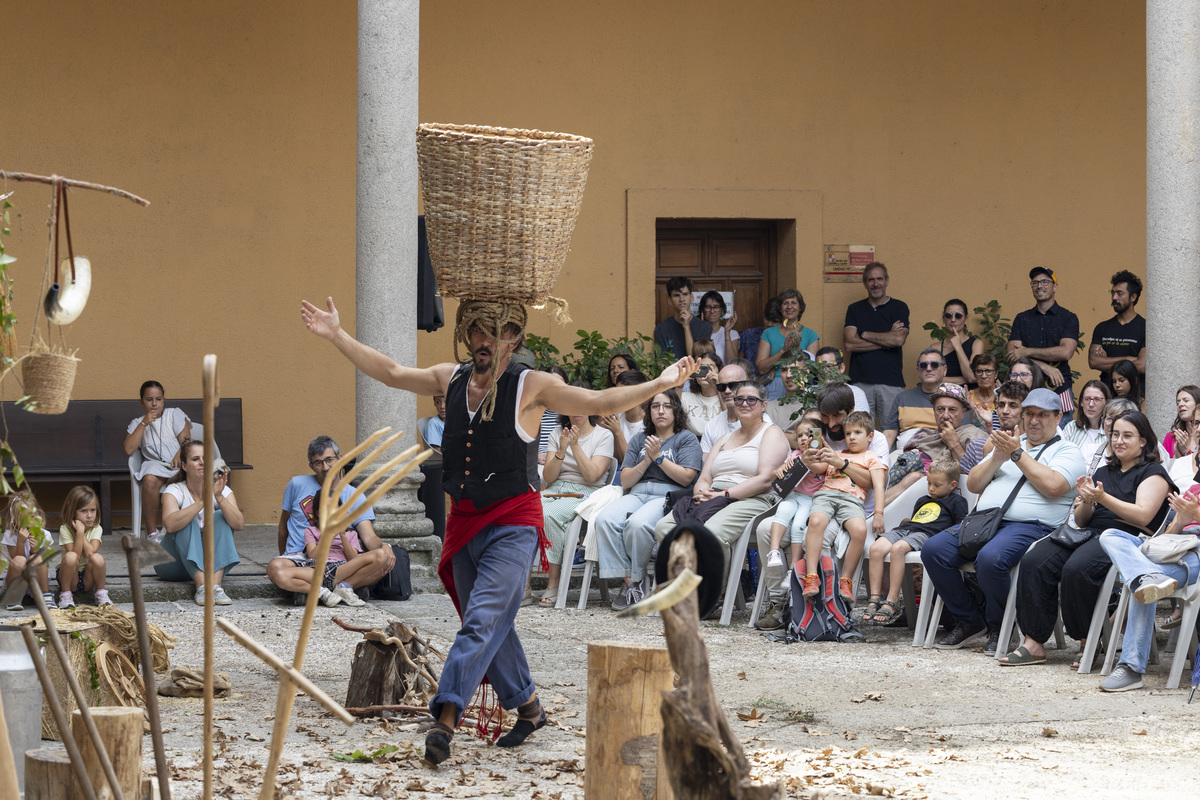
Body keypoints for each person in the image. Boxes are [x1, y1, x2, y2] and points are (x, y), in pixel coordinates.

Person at [299, 294, 695, 762]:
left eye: (495, 332)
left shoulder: (531, 385)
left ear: (513, 338)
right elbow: (390, 371)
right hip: (464, 522)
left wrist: (659, 382)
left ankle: (445, 719)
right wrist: (337, 334)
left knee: (483, 619)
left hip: (513, 522)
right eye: (476, 332)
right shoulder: (452, 378)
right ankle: (528, 707)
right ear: (467, 335)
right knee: (490, 624)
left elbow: (598, 399)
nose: (484, 341)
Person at [1000, 411, 1173, 667]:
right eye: (1115, 435)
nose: (1119, 441)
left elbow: (1143, 517)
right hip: (1089, 533)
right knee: (1035, 560)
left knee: (1077, 568)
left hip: (1124, 539)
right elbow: (1082, 520)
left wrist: (1102, 498)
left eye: (1127, 435)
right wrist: (1088, 502)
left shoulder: (1152, 472)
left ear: (1144, 440)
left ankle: (1087, 641)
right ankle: (1033, 642)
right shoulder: (1104, 470)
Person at [922, 388, 1086, 654]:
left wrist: (1017, 454)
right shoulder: (1007, 443)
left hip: (1032, 527)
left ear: (1058, 417)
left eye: (1042, 415)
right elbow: (974, 484)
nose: (1034, 421)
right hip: (984, 521)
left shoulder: (1068, 451)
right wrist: (998, 457)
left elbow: (1055, 487)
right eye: (1029, 414)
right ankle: (970, 620)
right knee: (934, 550)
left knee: (991, 559)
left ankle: (1000, 626)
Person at [755, 383, 890, 630]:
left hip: (855, 505)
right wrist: (796, 465)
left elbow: (872, 481)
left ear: (850, 410)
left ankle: (825, 607)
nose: (831, 423)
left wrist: (841, 462)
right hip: (814, 500)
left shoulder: (871, 436)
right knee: (765, 529)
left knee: (815, 532)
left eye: (837, 416)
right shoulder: (817, 435)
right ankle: (779, 601)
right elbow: (796, 479)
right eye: (825, 416)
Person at [653, 381, 789, 581]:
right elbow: (705, 477)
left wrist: (724, 494)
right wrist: (702, 493)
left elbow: (765, 480)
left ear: (764, 405)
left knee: (711, 533)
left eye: (751, 399)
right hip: (714, 495)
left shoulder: (771, 432)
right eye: (739, 399)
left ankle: (709, 594)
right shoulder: (724, 438)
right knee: (664, 527)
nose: (744, 403)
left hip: (752, 498)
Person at [594, 389, 703, 609]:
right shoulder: (639, 439)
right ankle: (630, 581)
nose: (660, 411)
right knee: (604, 519)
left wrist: (659, 458)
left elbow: (686, 478)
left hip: (668, 494)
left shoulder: (686, 438)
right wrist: (646, 461)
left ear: (676, 410)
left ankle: (637, 578)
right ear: (649, 411)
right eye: (655, 406)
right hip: (637, 492)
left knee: (638, 524)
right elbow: (625, 481)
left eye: (666, 406)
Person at [267, 436, 393, 605]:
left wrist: (386, 547)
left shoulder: (355, 496)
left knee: (384, 564)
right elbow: (283, 525)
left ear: (340, 458)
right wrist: (283, 557)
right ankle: (347, 588)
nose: (325, 467)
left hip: (340, 561)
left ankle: (314, 590)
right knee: (275, 568)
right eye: (318, 463)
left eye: (329, 460)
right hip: (300, 559)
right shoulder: (296, 484)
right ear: (311, 466)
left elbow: (369, 537)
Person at [1096, 488, 1200, 691]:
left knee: (1143, 582)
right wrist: (1180, 522)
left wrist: (1196, 515)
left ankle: (1130, 668)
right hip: (1169, 547)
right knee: (1110, 535)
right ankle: (1147, 575)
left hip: (1195, 553)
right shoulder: (1195, 489)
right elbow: (1167, 536)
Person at [864, 456, 967, 625]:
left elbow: (960, 526)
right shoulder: (923, 500)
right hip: (907, 530)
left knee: (897, 549)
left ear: (953, 485)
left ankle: (893, 600)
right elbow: (914, 521)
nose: (931, 489)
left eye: (937, 485)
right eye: (929, 483)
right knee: (876, 548)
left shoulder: (957, 501)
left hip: (928, 534)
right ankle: (875, 598)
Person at [799, 411, 887, 603]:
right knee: (815, 521)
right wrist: (810, 456)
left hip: (852, 499)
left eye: (857, 432)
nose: (852, 437)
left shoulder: (871, 457)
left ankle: (846, 580)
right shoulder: (837, 453)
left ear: (870, 436)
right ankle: (812, 576)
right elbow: (819, 468)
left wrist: (879, 513)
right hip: (827, 494)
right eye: (848, 434)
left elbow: (879, 486)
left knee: (860, 530)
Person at [540, 393, 616, 603]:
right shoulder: (557, 433)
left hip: (587, 491)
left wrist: (575, 445)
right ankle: (525, 585)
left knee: (548, 514)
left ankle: (553, 583)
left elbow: (593, 475)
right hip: (556, 488)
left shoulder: (603, 435)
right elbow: (548, 476)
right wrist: (562, 449)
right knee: (524, 511)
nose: (577, 412)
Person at [155, 440, 244, 606]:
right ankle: (202, 586)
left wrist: (218, 498)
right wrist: (201, 503)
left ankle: (215, 586)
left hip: (209, 563)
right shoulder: (174, 490)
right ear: (184, 466)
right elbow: (170, 525)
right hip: (173, 565)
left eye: (206, 458)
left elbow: (238, 524)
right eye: (195, 459)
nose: (202, 462)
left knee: (220, 516)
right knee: (186, 519)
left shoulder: (222, 490)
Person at [886, 383, 985, 502]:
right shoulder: (925, 435)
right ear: (934, 411)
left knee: (914, 478)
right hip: (897, 491)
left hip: (939, 499)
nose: (945, 415)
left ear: (963, 412)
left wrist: (954, 444)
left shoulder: (973, 435)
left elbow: (975, 479)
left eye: (952, 410)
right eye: (940, 409)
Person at [761, 417, 827, 586]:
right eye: (799, 436)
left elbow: (820, 469)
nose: (804, 438)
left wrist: (802, 461)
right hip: (794, 495)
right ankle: (774, 551)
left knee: (798, 525)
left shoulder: (821, 455)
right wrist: (781, 469)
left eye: (809, 434)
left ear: (819, 437)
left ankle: (793, 569)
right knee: (782, 512)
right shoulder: (794, 454)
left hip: (810, 499)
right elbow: (775, 474)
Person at [124, 380, 192, 539]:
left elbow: (187, 441)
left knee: (192, 474)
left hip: (178, 464)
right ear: (141, 402)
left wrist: (179, 453)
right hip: (155, 466)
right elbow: (128, 449)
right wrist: (143, 423)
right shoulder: (136, 423)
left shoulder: (174, 414)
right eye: (149, 400)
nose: (154, 404)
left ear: (163, 400)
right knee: (148, 480)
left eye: (158, 399)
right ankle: (152, 533)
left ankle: (188, 529)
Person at [1008, 266, 1080, 414]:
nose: (1039, 286)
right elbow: (1013, 355)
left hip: (1059, 388)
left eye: (1045, 282)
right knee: (1026, 432)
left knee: (1061, 432)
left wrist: (1026, 352)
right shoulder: (1022, 318)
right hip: (1026, 390)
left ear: (1055, 287)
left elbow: (1065, 352)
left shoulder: (1068, 318)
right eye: (1035, 283)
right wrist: (1044, 367)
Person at [843, 262, 910, 421]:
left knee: (891, 430)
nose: (876, 284)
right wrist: (887, 340)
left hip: (891, 382)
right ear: (865, 283)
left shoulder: (899, 307)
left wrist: (864, 334)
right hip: (860, 382)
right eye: (871, 280)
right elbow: (849, 344)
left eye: (879, 279)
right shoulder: (854, 309)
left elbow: (899, 339)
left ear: (887, 280)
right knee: (860, 430)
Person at [1089, 270, 1146, 395]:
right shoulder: (1102, 327)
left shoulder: (1146, 328)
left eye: (1120, 293)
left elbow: (1142, 365)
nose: (1114, 298)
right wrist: (1128, 359)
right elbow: (1093, 362)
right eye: (1113, 293)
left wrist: (1106, 361)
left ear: (1133, 297)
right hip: (1107, 395)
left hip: (1136, 396)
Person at [756, 288, 819, 400]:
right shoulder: (768, 333)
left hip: (801, 386)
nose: (789, 307)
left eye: (793, 303)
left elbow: (811, 370)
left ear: (800, 308)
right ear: (780, 308)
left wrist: (797, 348)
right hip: (775, 383)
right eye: (785, 303)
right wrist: (783, 351)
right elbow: (761, 368)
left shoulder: (811, 335)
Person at [882, 348, 948, 451]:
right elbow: (889, 434)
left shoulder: (952, 399)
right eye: (923, 365)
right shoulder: (902, 398)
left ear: (944, 370)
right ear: (918, 371)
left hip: (938, 456)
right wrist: (881, 460)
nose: (929, 368)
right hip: (903, 457)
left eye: (934, 365)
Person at [56, 485, 111, 608]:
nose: (90, 515)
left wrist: (81, 533)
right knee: (70, 557)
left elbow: (90, 553)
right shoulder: (65, 529)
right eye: (84, 511)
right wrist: (79, 533)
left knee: (98, 558)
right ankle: (65, 595)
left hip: (88, 577)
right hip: (70, 576)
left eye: (93, 510)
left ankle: (101, 594)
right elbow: (74, 556)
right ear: (73, 512)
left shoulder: (97, 528)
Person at [959, 381, 1029, 475]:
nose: (1005, 411)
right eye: (1001, 405)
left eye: (1013, 406)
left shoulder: (1033, 446)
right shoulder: (976, 446)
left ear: (1025, 411)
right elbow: (964, 486)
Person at [3, 489, 55, 611]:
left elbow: (43, 561)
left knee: (35, 559)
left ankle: (44, 594)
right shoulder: (10, 535)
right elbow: (15, 561)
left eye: (31, 517)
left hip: (37, 579)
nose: (28, 523)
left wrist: (34, 550)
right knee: (19, 560)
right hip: (16, 579)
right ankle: (13, 597)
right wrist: (20, 542)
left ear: (37, 514)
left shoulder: (45, 535)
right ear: (14, 518)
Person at [699, 360, 753, 455]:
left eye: (733, 385)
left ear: (746, 384)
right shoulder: (712, 425)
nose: (727, 391)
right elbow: (705, 463)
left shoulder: (760, 422)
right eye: (722, 387)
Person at [597, 370, 649, 464]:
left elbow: (631, 463)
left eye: (626, 392)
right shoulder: (614, 417)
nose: (621, 397)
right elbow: (615, 459)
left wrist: (618, 432)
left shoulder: (649, 423)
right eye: (618, 392)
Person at [654, 277, 710, 360]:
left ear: (691, 297)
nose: (682, 299)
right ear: (669, 300)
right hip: (673, 373)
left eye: (685, 294)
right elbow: (662, 362)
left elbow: (695, 358)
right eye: (677, 295)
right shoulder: (661, 329)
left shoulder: (705, 327)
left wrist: (686, 326)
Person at [1061, 380, 1112, 465]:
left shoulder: (1112, 431)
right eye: (1087, 399)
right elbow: (1061, 456)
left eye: (1097, 399)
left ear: (1106, 402)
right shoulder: (1072, 428)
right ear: (1081, 402)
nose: (1091, 404)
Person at [936, 299, 984, 385]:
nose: (953, 319)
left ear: (966, 319)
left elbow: (971, 377)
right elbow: (933, 379)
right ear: (944, 319)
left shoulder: (976, 344)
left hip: (970, 396)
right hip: (943, 396)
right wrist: (968, 379)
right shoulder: (936, 347)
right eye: (948, 315)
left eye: (958, 316)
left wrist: (958, 347)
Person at [813, 347, 870, 413]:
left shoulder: (856, 393)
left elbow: (859, 422)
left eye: (829, 366)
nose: (825, 371)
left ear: (842, 368)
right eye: (821, 367)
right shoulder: (809, 393)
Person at [680, 353, 725, 437]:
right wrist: (680, 381)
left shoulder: (727, 396)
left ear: (719, 371)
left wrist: (719, 385)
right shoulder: (685, 397)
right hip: (691, 443)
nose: (706, 371)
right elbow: (672, 410)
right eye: (701, 368)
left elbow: (730, 419)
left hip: (720, 441)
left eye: (710, 367)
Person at [697, 290, 740, 363]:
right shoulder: (696, 332)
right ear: (702, 310)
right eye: (708, 307)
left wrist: (727, 333)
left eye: (716, 307)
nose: (712, 311)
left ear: (722, 310)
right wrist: (702, 328)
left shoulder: (732, 334)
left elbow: (732, 363)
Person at [1163, 385, 1200, 460]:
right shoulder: (1171, 437)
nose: (1180, 404)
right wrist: (1177, 454)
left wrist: (1186, 451)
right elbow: (1164, 467)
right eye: (1178, 402)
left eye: (1186, 400)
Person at [965, 353, 1000, 431]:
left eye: (988, 371)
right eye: (979, 371)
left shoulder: (1003, 396)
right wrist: (970, 411)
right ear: (974, 374)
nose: (984, 376)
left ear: (996, 373)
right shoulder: (969, 397)